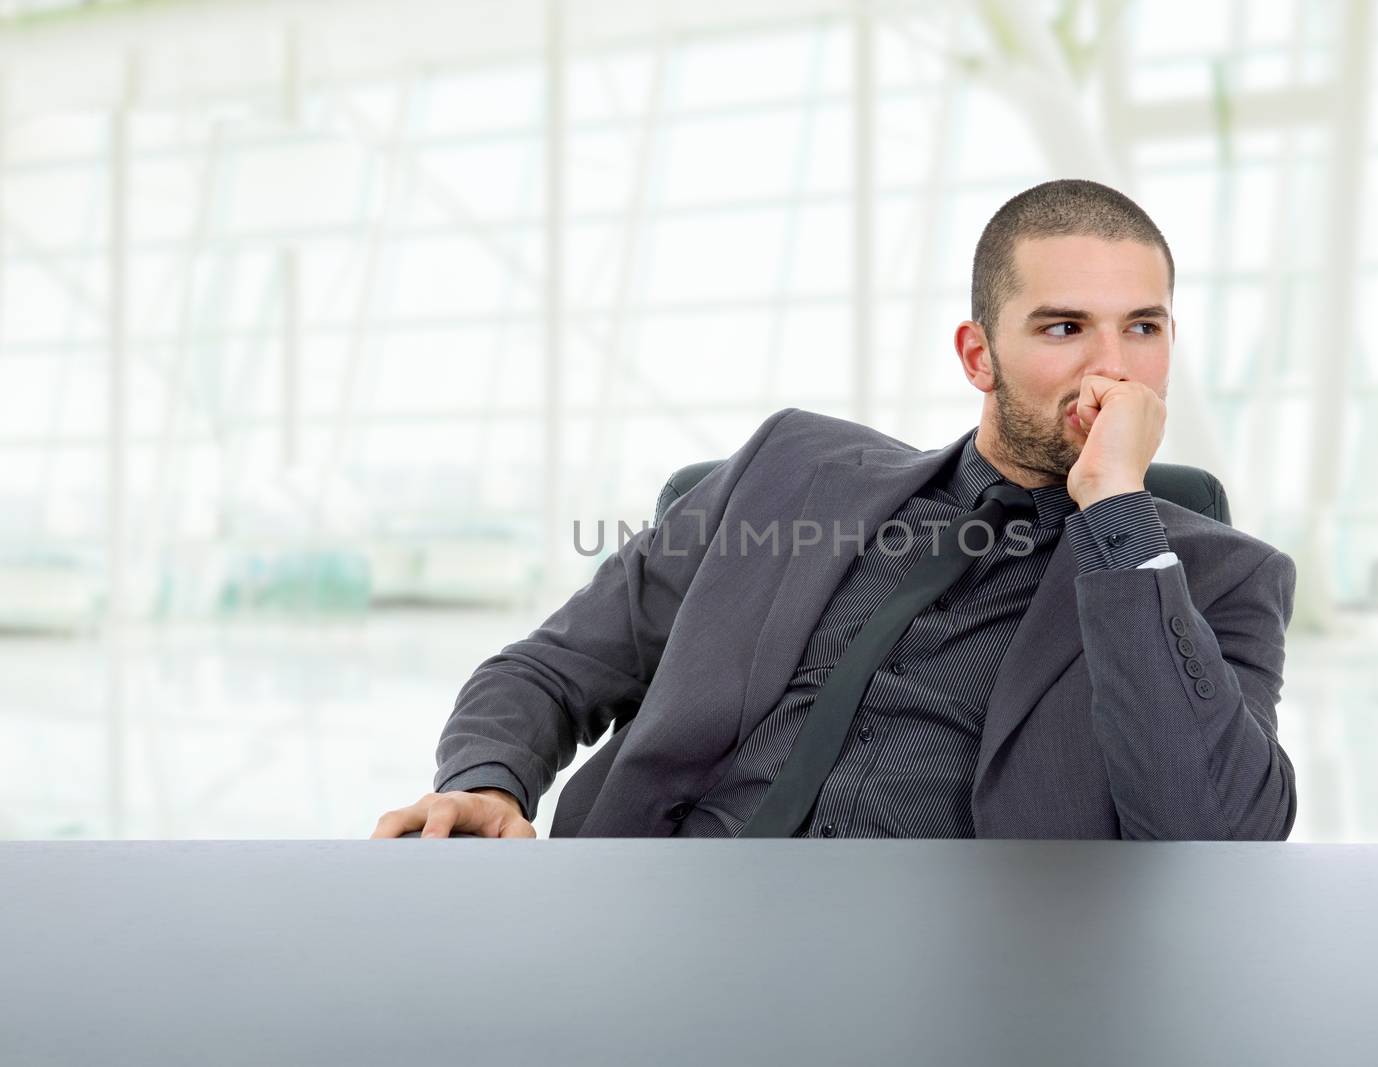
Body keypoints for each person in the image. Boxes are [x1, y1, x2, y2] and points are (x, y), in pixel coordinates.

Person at [371, 178, 1297, 842]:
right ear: (978, 357)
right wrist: (489, 781)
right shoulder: (791, 473)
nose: (1113, 368)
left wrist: (1117, 519)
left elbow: (1214, 834)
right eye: (1064, 328)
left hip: (955, 975)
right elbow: (553, 666)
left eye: (1144, 327)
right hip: (651, 914)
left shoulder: (1222, 580)